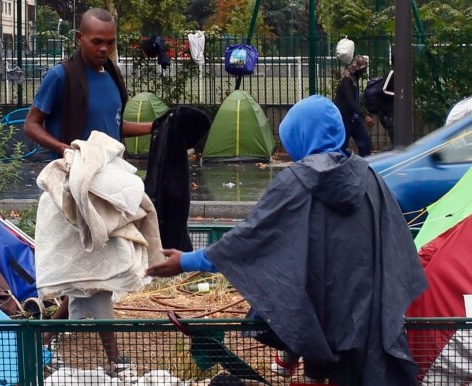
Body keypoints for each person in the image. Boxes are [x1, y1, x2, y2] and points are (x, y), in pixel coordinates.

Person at [147, 95, 427, 385]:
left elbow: (250, 239)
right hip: (366, 316)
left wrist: (188, 260)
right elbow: (397, 240)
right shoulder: (369, 177)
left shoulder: (296, 181)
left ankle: (293, 361)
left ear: (298, 135)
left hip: (315, 314)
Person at [24, 7, 153, 372]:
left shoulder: (111, 73)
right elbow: (32, 124)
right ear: (79, 38)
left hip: (107, 187)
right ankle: (112, 360)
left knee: (89, 273)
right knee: (99, 272)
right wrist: (68, 149)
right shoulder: (61, 76)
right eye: (96, 41)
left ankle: (44, 340)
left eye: (110, 42)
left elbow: (111, 127)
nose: (104, 48)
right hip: (75, 191)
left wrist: (155, 127)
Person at [333, 54, 373, 156]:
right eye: (363, 69)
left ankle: (366, 165)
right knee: (341, 145)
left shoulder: (353, 77)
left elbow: (354, 100)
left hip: (353, 117)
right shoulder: (347, 79)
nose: (364, 71)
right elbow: (350, 100)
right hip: (344, 117)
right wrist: (364, 116)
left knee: (365, 143)